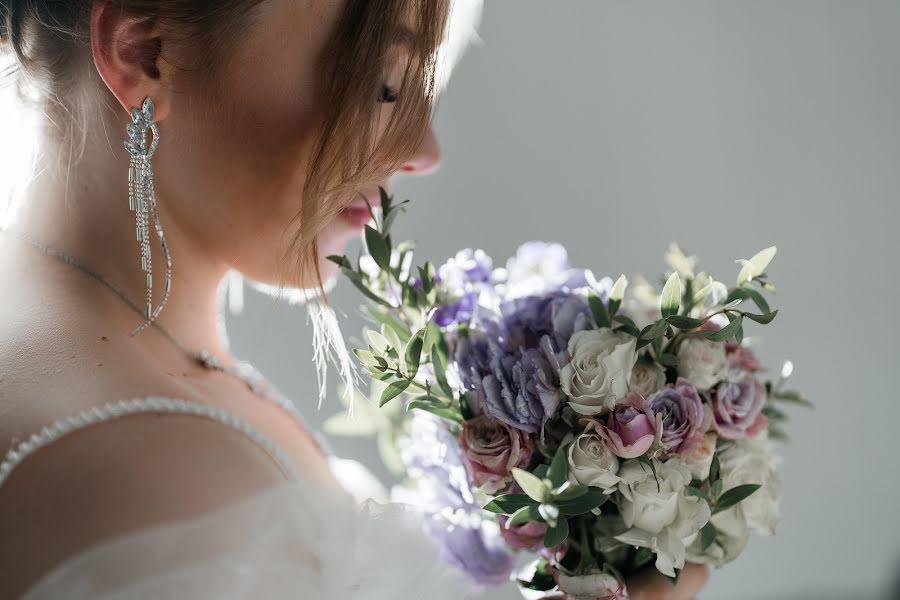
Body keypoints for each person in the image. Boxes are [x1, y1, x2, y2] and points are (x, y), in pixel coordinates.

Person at [0, 1, 709, 597]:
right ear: (145, 50)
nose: (422, 150)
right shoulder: (150, 473)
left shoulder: (118, 353)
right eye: (386, 86)